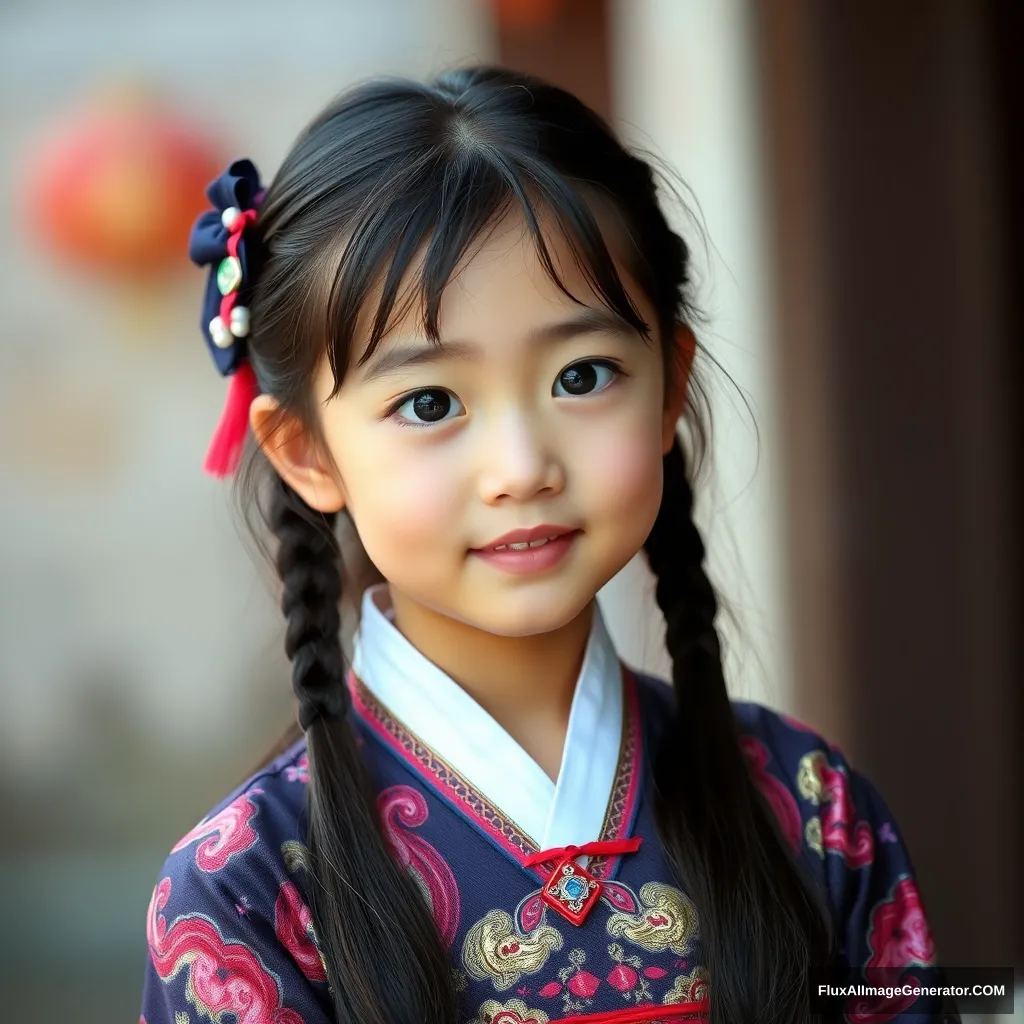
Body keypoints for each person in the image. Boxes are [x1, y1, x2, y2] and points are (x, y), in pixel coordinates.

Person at [139, 66, 958, 1024]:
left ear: (669, 386)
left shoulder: (813, 809)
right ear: (308, 452)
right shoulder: (241, 894)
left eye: (583, 375)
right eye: (430, 403)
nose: (522, 466)